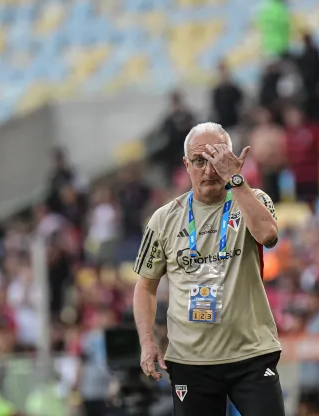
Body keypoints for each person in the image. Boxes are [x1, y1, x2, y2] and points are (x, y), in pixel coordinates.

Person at [132, 122, 284, 416]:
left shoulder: (254, 199)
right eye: (199, 161)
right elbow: (145, 286)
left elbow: (269, 235)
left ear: (230, 159)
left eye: (216, 159)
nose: (208, 169)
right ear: (187, 165)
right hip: (190, 360)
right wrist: (147, 341)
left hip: (251, 353)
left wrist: (236, 180)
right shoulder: (164, 219)